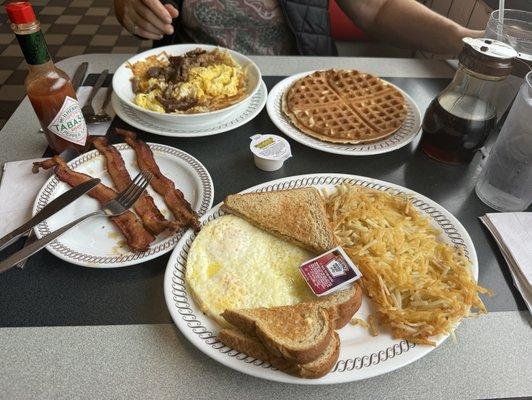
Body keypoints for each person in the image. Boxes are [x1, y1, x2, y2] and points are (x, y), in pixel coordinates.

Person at [113, 0, 483, 56]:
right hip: (194, 95)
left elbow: (377, 7)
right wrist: (127, 6)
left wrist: (462, 39)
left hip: (300, 86)